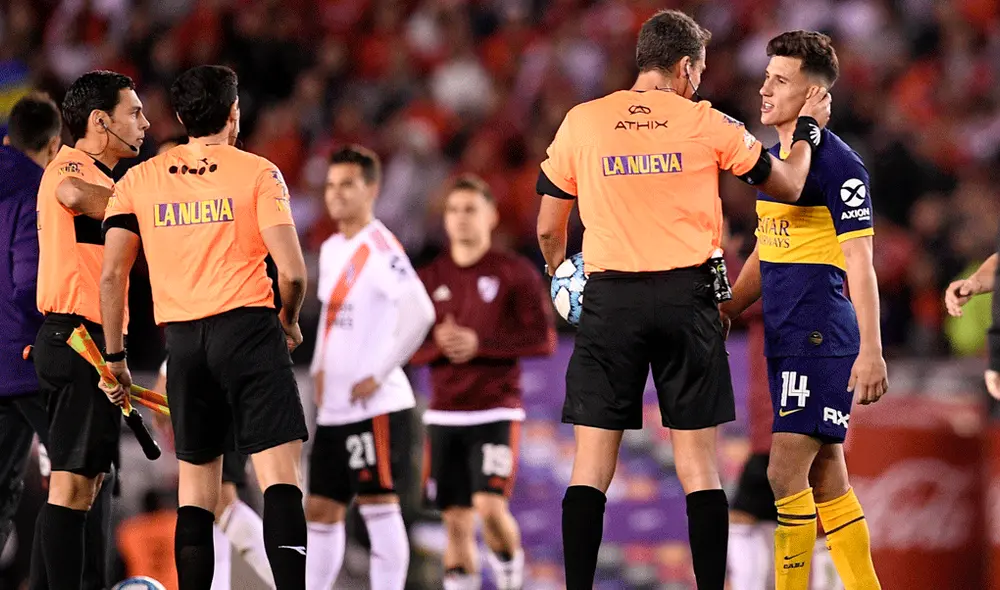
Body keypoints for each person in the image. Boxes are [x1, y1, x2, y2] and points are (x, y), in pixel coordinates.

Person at [534, 9, 830, 589]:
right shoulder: (706, 121)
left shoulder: (583, 121)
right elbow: (791, 186)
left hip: (608, 299)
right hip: (686, 299)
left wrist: (559, 274)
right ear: (686, 67)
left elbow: (549, 228)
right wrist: (808, 131)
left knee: (590, 468)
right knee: (700, 470)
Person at [99, 64, 310, 590]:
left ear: (179, 117)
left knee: (196, 494)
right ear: (234, 114)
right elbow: (293, 271)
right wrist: (289, 320)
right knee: (279, 480)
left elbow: (112, 277)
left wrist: (116, 357)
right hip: (251, 331)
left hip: (185, 343)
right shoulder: (259, 173)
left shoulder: (139, 180)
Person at [720, 31, 884, 590]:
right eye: (765, 76)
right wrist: (728, 308)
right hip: (790, 335)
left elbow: (861, 264)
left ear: (812, 95)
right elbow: (769, 246)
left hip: (819, 335)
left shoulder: (841, 168)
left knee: (782, 470)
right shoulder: (782, 163)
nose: (764, 88)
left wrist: (871, 352)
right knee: (826, 475)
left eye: (779, 80)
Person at [31, 70, 148, 590]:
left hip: (87, 345)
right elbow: (72, 192)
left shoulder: (110, 180)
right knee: (72, 489)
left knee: (85, 485)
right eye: (135, 113)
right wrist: (156, 211)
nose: (143, 123)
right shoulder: (77, 164)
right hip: (77, 340)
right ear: (101, 121)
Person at [412, 175, 557, 590]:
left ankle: (510, 575)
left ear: (492, 216)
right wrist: (438, 346)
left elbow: (543, 340)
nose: (460, 219)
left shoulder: (515, 272)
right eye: (453, 210)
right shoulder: (428, 277)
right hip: (444, 414)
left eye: (470, 209)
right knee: (455, 521)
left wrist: (480, 343)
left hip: (495, 408)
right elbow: (405, 344)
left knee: (490, 507)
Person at [305, 145, 434, 590]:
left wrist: (378, 373)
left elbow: (420, 311)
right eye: (330, 186)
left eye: (347, 185)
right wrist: (321, 366)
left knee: (379, 507)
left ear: (372, 189)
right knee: (321, 509)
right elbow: (330, 315)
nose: (336, 195)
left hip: (375, 405)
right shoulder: (330, 248)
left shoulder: (379, 247)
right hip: (336, 407)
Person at [0, 93, 62, 558]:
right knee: (82, 471)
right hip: (25, 363)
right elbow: (28, 285)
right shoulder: (37, 191)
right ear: (54, 145)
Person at [152, 359, 276, 590]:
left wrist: (167, 374)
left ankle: (299, 582)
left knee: (220, 502)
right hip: (222, 385)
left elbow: (198, 332)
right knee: (208, 511)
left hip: (216, 389)